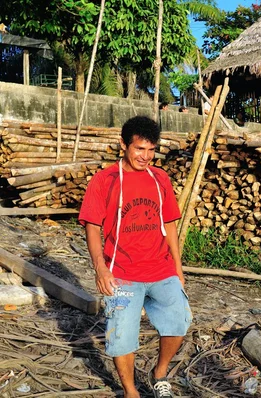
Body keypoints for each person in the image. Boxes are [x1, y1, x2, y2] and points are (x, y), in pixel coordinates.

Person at [79, 116, 192, 398]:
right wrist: (101, 269)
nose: (146, 156)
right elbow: (92, 227)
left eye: (151, 150)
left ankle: (159, 373)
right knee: (121, 338)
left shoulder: (160, 179)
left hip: (160, 268)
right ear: (123, 145)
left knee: (179, 321)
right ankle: (131, 391)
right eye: (140, 149)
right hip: (122, 275)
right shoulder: (104, 181)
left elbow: (169, 224)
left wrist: (177, 267)